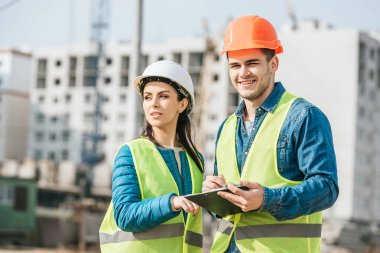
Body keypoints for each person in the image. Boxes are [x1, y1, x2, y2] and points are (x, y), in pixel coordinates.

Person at [202, 15, 339, 253]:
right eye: (235, 65)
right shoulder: (226, 127)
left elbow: (326, 188)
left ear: (273, 64)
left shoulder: (304, 116)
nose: (243, 73)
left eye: (252, 63)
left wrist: (267, 199)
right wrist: (216, 195)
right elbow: (226, 211)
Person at [99, 60, 204, 252]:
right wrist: (171, 203)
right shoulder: (130, 153)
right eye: (147, 97)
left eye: (163, 96)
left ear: (182, 104)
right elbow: (124, 215)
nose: (153, 104)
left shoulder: (196, 161)